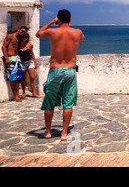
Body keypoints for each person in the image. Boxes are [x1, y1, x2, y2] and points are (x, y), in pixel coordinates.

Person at [36, 10, 85, 140]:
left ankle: (47, 132)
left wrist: (52, 22)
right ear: (70, 19)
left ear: (58, 19)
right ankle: (64, 133)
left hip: (55, 70)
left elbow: (38, 34)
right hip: (70, 71)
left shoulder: (53, 32)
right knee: (68, 103)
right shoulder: (77, 32)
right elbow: (83, 38)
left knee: (49, 102)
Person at [2, 26, 28, 102]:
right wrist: (6, 58)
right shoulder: (10, 36)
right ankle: (15, 96)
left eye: (24, 32)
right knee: (12, 78)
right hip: (11, 58)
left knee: (18, 77)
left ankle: (17, 94)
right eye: (22, 31)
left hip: (17, 58)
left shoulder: (18, 38)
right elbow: (3, 47)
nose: (23, 33)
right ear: (18, 29)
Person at [18, 31, 40, 98]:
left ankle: (34, 92)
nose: (24, 38)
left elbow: (32, 54)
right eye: (23, 37)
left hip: (30, 62)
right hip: (23, 63)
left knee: (32, 77)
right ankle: (23, 92)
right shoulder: (18, 46)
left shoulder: (29, 45)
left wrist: (35, 63)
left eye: (26, 37)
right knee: (23, 79)